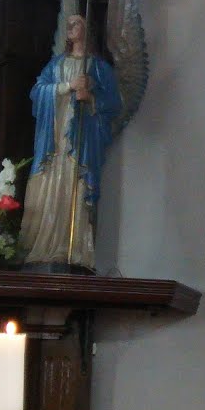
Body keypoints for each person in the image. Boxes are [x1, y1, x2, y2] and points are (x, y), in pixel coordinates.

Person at [19, 14, 122, 272]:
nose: (71, 27)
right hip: (53, 141)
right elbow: (37, 92)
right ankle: (41, 247)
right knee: (48, 188)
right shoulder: (56, 65)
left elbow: (113, 104)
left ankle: (73, 249)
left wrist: (91, 98)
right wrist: (67, 86)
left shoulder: (98, 68)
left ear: (88, 30)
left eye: (76, 23)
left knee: (74, 187)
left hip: (81, 142)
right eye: (69, 24)